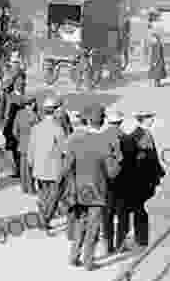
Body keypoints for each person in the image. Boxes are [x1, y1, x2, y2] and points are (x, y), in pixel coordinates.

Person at [52, 103, 122, 270]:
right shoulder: (104, 142)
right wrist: (119, 162)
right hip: (97, 191)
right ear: (103, 120)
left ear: (87, 120)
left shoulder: (76, 140)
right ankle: (89, 261)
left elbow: (66, 167)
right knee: (93, 226)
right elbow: (112, 172)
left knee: (81, 223)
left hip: (79, 191)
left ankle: (74, 256)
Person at [28, 95, 67, 227]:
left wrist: (31, 164)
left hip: (39, 168)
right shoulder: (58, 128)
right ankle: (45, 218)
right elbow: (64, 149)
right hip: (54, 168)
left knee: (43, 195)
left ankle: (43, 216)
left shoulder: (36, 128)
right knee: (54, 196)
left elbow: (31, 149)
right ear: (55, 110)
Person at [130, 111, 165, 249]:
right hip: (144, 179)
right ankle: (142, 238)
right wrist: (158, 173)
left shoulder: (138, 133)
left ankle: (142, 236)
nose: (152, 120)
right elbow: (149, 159)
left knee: (141, 209)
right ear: (143, 119)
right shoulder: (143, 135)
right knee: (142, 209)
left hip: (142, 178)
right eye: (150, 117)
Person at [104, 110, 136, 254]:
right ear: (121, 122)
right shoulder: (128, 138)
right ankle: (120, 244)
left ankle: (108, 245)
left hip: (106, 182)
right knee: (122, 215)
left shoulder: (100, 137)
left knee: (107, 215)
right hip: (123, 182)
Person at [12, 94, 40, 194]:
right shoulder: (34, 115)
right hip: (32, 145)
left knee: (23, 168)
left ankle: (24, 188)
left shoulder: (19, 114)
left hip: (22, 144)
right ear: (32, 104)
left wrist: (20, 139)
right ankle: (31, 188)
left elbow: (15, 131)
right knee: (31, 168)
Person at [1, 72, 26, 178]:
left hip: (21, 126)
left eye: (24, 82)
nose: (23, 84)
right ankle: (18, 169)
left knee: (20, 148)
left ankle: (20, 170)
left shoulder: (24, 96)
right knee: (14, 149)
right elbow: (5, 112)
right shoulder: (10, 96)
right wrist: (6, 126)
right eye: (20, 82)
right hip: (12, 126)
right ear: (15, 84)